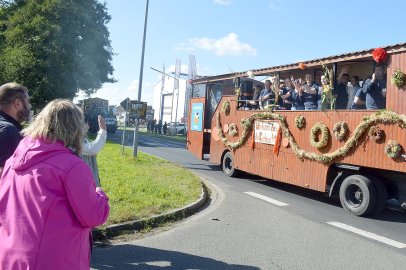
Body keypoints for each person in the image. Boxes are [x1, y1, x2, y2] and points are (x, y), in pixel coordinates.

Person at [0, 99, 110, 269]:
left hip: (11, 256)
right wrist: (100, 195)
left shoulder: (13, 160)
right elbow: (93, 215)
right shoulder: (72, 166)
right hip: (53, 260)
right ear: (75, 128)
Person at [0, 82, 31, 176]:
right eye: (28, 101)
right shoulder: (9, 130)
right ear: (17, 103)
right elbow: (2, 173)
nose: (29, 106)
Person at [82, 115, 107, 187]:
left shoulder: (83, 139)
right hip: (85, 183)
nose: (87, 126)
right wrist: (103, 129)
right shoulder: (72, 142)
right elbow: (93, 149)